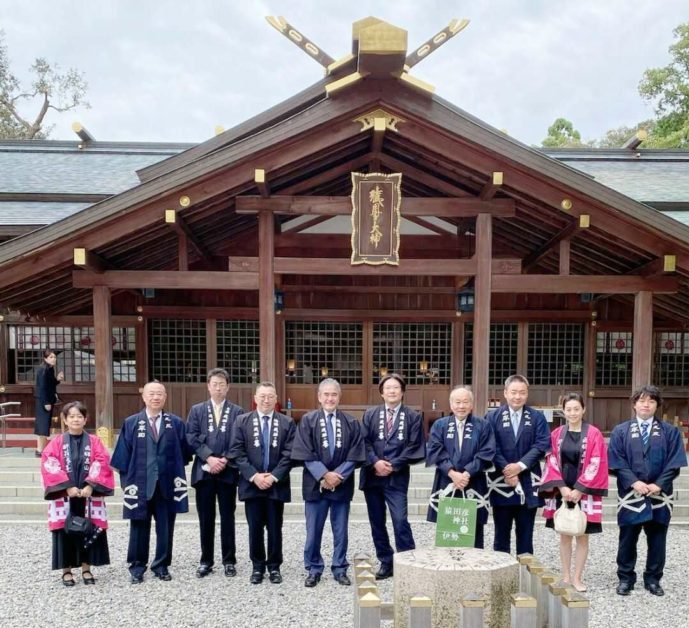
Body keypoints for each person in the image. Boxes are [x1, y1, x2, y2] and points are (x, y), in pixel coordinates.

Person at [609, 385, 688, 597]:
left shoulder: (670, 432)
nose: (646, 405)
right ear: (634, 404)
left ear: (657, 406)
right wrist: (634, 482)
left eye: (651, 401)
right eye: (642, 401)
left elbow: (675, 462)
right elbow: (617, 461)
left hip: (659, 495)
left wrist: (658, 484)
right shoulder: (621, 431)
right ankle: (626, 578)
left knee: (657, 539)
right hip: (631, 494)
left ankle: (653, 579)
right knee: (627, 538)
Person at [111, 381, 191, 584]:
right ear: (144, 397)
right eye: (152, 394)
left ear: (165, 397)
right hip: (139, 484)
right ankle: (137, 567)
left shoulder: (176, 423)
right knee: (138, 526)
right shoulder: (131, 423)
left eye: (160, 394)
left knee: (165, 526)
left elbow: (184, 454)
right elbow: (122, 457)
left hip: (166, 483)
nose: (156, 397)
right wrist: (125, 484)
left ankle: (161, 565)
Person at [291, 378, 365, 587]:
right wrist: (323, 475)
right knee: (313, 529)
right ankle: (314, 568)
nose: (330, 398)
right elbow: (304, 452)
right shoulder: (308, 420)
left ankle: (339, 567)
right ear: (319, 397)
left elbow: (356, 454)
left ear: (339, 397)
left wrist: (337, 476)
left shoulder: (351, 422)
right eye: (326, 394)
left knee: (340, 529)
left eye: (334, 395)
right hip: (316, 485)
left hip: (341, 484)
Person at [40, 401, 114, 586]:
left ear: (85, 419)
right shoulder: (56, 442)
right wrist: (67, 487)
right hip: (65, 495)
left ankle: (86, 568)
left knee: (88, 529)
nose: (75, 419)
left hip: (87, 495)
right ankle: (66, 571)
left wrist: (90, 485)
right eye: (71, 416)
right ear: (65, 419)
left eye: (79, 416)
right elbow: (50, 463)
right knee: (64, 531)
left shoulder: (95, 441)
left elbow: (102, 460)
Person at [540, 393, 608, 592]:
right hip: (562, 488)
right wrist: (561, 487)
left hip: (585, 490)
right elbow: (551, 460)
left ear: (583, 410)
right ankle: (566, 576)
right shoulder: (556, 434)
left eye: (576, 409)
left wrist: (578, 489)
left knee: (582, 534)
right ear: (563, 411)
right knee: (564, 534)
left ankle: (578, 577)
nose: (572, 413)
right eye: (568, 409)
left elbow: (597, 461)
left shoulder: (594, 434)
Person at [229, 381, 295, 584]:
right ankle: (257, 566)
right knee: (254, 527)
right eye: (262, 396)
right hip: (252, 484)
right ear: (255, 399)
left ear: (276, 399)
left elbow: (290, 453)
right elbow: (237, 452)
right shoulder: (242, 421)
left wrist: (274, 476)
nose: (266, 400)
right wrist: (254, 476)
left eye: (270, 396)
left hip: (277, 482)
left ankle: (274, 567)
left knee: (275, 527)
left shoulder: (287, 423)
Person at [359, 373, 425, 578]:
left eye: (396, 387)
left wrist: (393, 464)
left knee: (399, 519)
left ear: (402, 391)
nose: (392, 391)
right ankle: (386, 561)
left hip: (396, 477)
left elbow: (415, 445)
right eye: (388, 388)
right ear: (382, 392)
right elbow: (364, 442)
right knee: (377, 522)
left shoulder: (413, 416)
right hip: (372, 475)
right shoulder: (370, 415)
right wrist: (376, 462)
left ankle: (407, 561)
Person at [186, 368, 244, 578]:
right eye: (214, 384)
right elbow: (191, 437)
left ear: (228, 387)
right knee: (206, 518)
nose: (218, 388)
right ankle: (206, 560)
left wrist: (225, 459)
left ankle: (229, 560)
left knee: (228, 517)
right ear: (208, 386)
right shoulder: (197, 410)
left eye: (222, 384)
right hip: (204, 472)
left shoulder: (237, 411)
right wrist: (209, 457)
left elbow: (239, 440)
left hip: (227, 472)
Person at [486, 374, 550, 555]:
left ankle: (525, 577)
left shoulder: (537, 417)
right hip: (501, 482)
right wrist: (508, 470)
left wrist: (519, 466)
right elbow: (490, 446)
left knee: (526, 534)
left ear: (527, 394)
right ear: (505, 393)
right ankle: (501, 576)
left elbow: (541, 445)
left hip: (528, 482)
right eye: (513, 392)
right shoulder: (492, 417)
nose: (517, 396)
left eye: (522, 392)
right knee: (501, 534)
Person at [426, 386, 495, 548]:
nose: (461, 406)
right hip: (446, 480)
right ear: (451, 404)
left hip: (473, 481)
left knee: (474, 526)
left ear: (471, 405)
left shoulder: (483, 425)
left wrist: (466, 473)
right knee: (447, 525)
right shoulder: (440, 425)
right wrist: (452, 473)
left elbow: (486, 452)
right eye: (457, 402)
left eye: (465, 402)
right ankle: (448, 566)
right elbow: (435, 450)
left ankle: (474, 566)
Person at [34, 349, 64, 456]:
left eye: (54, 357)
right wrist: (46, 402)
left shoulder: (50, 369)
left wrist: (58, 379)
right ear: (45, 358)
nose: (53, 359)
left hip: (47, 399)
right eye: (51, 357)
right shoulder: (43, 369)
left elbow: (51, 384)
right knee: (42, 425)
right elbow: (42, 387)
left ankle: (41, 449)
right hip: (43, 400)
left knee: (45, 425)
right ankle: (39, 450)